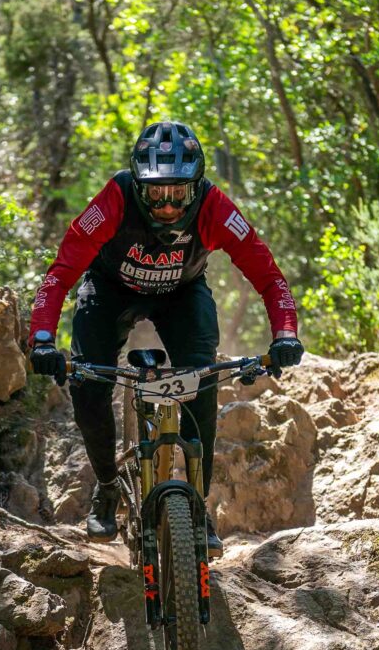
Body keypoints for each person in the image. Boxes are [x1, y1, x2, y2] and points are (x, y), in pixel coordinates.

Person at [24, 121, 302, 553]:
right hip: (110, 289)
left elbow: (268, 276)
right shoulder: (115, 198)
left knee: (202, 381)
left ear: (197, 186)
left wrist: (285, 333)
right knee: (88, 386)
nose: (168, 205)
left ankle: (196, 504)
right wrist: (42, 338)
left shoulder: (215, 207)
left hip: (181, 293)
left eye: (178, 192)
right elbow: (61, 273)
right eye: (156, 193)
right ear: (138, 184)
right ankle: (107, 487)